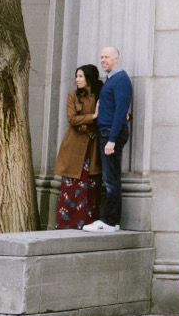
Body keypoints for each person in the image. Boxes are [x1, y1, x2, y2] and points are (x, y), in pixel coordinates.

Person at [84, 45, 132, 233]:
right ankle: (113, 221)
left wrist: (112, 139)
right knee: (111, 178)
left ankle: (109, 221)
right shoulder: (112, 80)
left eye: (107, 57)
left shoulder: (120, 80)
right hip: (108, 132)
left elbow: (121, 110)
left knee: (110, 180)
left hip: (110, 134)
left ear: (117, 59)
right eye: (102, 57)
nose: (103, 60)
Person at [53, 65, 102, 229]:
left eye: (81, 76)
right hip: (74, 146)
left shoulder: (99, 95)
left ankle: (88, 223)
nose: (77, 79)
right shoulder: (72, 96)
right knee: (71, 184)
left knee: (90, 184)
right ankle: (66, 224)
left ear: (89, 78)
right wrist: (93, 117)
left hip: (92, 147)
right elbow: (72, 119)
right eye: (76, 76)